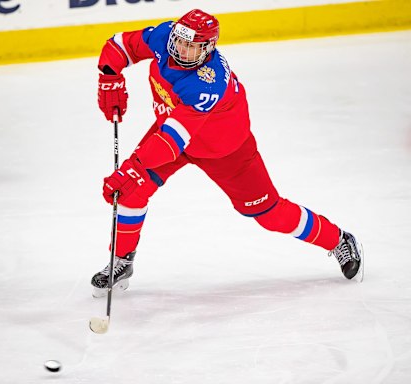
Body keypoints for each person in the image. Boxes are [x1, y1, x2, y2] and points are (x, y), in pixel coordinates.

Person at [91, 9, 364, 296]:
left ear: (208, 49)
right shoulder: (165, 36)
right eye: (180, 42)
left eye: (192, 47)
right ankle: (121, 260)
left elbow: (172, 142)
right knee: (131, 191)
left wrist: (132, 169)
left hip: (225, 150)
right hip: (172, 128)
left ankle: (338, 240)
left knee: (269, 213)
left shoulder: (207, 83)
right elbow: (119, 45)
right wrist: (109, 76)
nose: (182, 50)